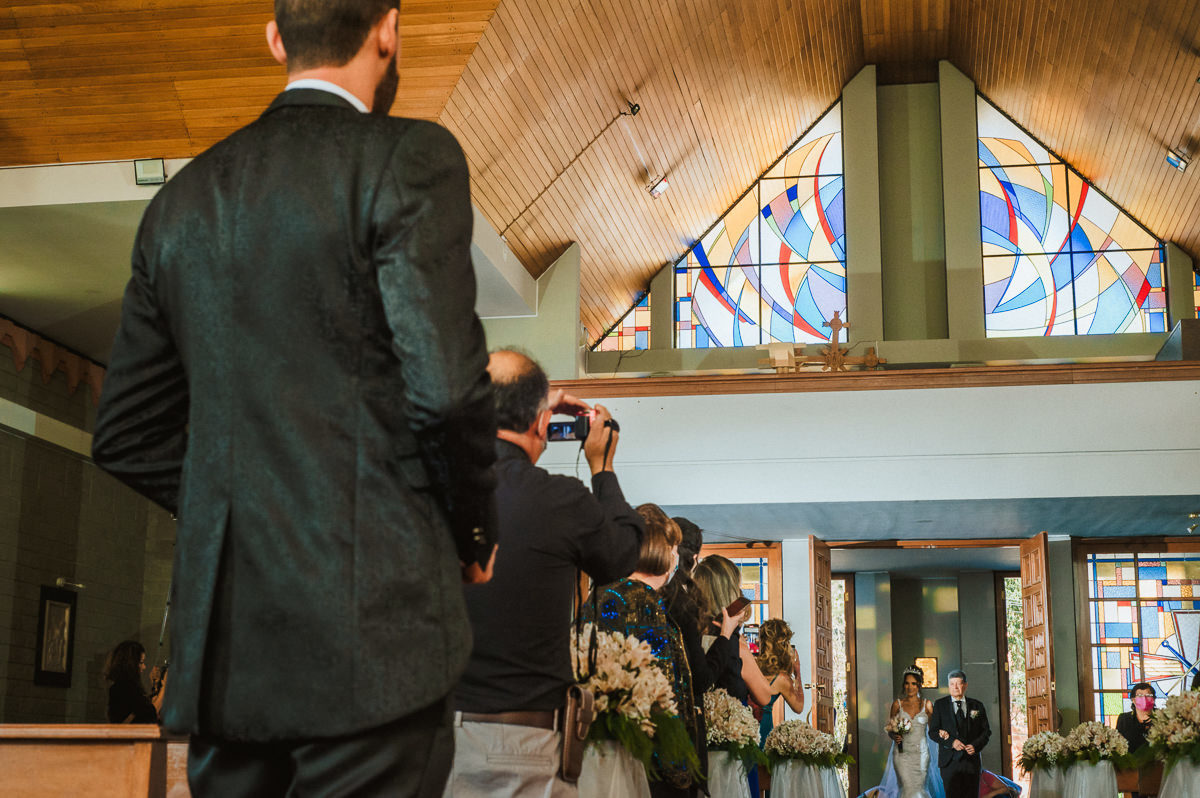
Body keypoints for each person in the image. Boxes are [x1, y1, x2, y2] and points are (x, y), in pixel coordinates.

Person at [91, 2, 498, 794]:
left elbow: (127, 434)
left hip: (228, 657)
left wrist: (246, 502)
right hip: (374, 639)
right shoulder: (408, 157)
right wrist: (470, 531)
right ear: (388, 30)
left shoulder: (182, 201)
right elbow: (447, 393)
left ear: (276, 39)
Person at [446, 349, 644, 798]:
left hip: (434, 739)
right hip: (523, 743)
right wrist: (603, 467)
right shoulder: (561, 501)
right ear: (542, 424)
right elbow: (621, 554)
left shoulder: (434, 488)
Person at [590, 503, 697, 796]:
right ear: (659, 550)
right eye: (673, 548)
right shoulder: (642, 602)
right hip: (647, 759)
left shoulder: (604, 593)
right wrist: (677, 768)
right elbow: (661, 686)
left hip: (610, 748)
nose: (676, 558)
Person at [691, 555, 772, 708]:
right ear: (731, 592)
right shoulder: (734, 644)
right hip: (728, 721)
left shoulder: (688, 631)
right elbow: (765, 696)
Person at [927, 670, 991, 798]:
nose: (955, 687)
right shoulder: (940, 705)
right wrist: (951, 742)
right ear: (948, 686)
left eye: (958, 683)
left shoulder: (977, 705)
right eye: (952, 684)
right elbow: (933, 732)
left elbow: (986, 731)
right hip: (949, 762)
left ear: (965, 685)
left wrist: (975, 746)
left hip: (971, 762)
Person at [754, 619, 806, 744]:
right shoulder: (781, 678)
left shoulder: (752, 664)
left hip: (745, 726)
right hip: (762, 729)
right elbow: (798, 707)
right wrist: (797, 671)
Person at [104, 641, 165, 724]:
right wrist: (164, 688)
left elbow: (145, 709)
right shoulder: (124, 688)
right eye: (141, 662)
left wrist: (155, 686)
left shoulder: (121, 687)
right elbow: (150, 714)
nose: (144, 667)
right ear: (130, 664)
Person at [1116, 682, 1155, 798]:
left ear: (1153, 699)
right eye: (1140, 696)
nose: (1144, 699)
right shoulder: (1124, 719)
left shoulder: (1162, 717)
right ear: (1133, 700)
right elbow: (1118, 744)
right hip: (1132, 770)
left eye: (1148, 695)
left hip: (1156, 769)